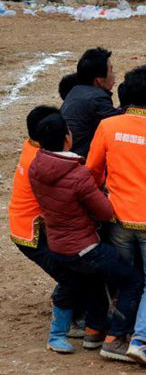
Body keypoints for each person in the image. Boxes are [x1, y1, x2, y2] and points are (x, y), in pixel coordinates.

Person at [28, 110, 144, 363]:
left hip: (57, 245)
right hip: (84, 248)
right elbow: (105, 212)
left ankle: (93, 333)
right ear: (67, 138)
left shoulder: (36, 165)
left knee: (93, 283)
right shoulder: (77, 175)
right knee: (132, 280)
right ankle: (115, 339)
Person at [85, 66, 146, 367]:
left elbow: (93, 171)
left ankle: (117, 332)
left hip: (119, 215)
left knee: (126, 277)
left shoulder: (109, 126)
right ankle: (140, 340)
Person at [10, 106, 93, 355]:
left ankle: (76, 317)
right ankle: (59, 332)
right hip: (33, 233)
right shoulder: (44, 162)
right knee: (70, 276)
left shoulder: (33, 149)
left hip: (28, 226)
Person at [59, 48, 121, 158]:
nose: (113, 74)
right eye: (111, 70)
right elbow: (121, 124)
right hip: (78, 161)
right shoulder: (97, 98)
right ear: (99, 80)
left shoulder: (76, 90)